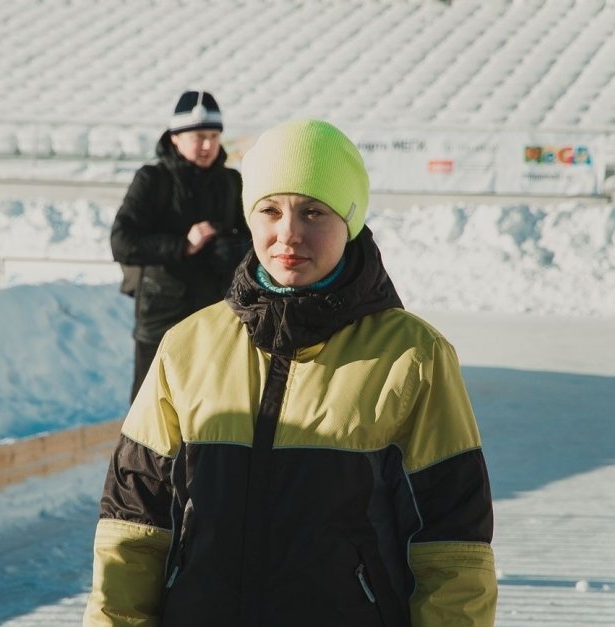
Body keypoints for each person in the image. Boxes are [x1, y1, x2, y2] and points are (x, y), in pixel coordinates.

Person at [86, 119, 497, 626]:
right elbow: (134, 526)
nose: (289, 234)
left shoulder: (414, 356)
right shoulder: (186, 346)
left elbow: (453, 545)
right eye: (270, 210)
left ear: (349, 220)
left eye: (313, 211)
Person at [110, 90, 249, 401]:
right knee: (151, 416)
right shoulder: (153, 180)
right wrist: (182, 246)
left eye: (214, 136)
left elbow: (256, 240)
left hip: (214, 317)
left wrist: (236, 248)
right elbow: (122, 241)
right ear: (175, 137)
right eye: (199, 136)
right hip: (161, 319)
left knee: (211, 412)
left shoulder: (231, 182)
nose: (207, 145)